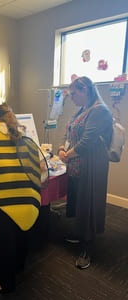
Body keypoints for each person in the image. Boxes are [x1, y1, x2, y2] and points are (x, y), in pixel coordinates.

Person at [0, 103, 41, 293]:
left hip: (4, 193)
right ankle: (20, 267)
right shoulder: (20, 132)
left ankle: (6, 283)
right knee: (23, 230)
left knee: (6, 240)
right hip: (29, 191)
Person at [58, 76, 113, 269]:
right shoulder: (82, 110)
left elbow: (86, 142)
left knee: (87, 204)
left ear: (85, 90)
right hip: (77, 163)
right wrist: (61, 149)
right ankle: (79, 233)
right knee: (78, 202)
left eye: (74, 94)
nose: (72, 97)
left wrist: (67, 155)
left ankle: (87, 248)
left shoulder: (100, 110)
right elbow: (70, 133)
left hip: (91, 165)